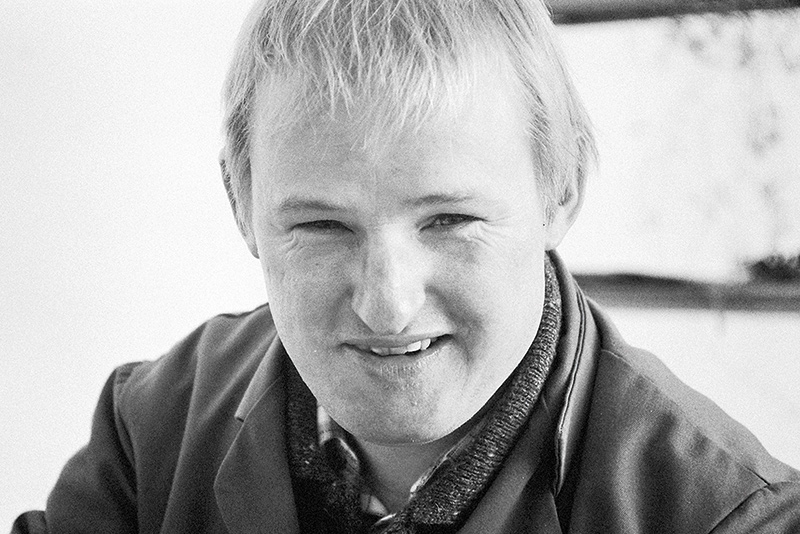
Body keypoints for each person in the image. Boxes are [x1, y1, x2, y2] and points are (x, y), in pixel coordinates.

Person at [12, 0, 800, 532]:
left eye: (451, 220)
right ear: (240, 203)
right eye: (322, 225)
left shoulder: (731, 516)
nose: (386, 306)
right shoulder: (150, 429)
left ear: (559, 191)